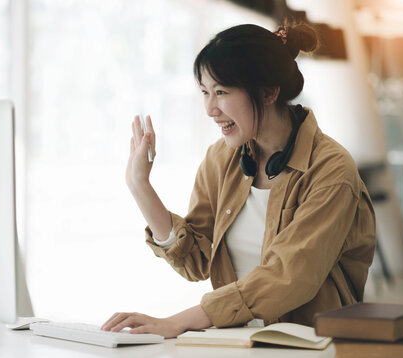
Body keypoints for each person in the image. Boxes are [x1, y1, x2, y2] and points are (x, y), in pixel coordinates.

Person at [101, 22, 376, 339]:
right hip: (235, 341)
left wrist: (180, 320)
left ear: (268, 92)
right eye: (205, 92)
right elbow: (196, 261)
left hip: (310, 345)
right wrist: (140, 186)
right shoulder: (221, 158)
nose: (210, 109)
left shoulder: (331, 170)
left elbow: (290, 276)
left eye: (221, 92)